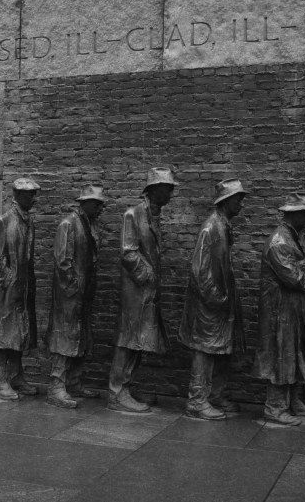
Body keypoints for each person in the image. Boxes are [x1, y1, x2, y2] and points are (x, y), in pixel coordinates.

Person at [108, 167, 177, 413]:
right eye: (167, 188)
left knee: (139, 341)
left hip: (147, 292)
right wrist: (147, 275)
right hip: (136, 291)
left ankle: (126, 386)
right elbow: (128, 252)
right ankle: (116, 392)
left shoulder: (154, 215)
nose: (170, 193)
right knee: (128, 340)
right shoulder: (133, 214)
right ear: (154, 190)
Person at [179, 179, 247, 420]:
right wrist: (215, 298)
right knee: (204, 350)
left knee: (220, 350)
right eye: (238, 200)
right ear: (226, 201)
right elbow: (199, 269)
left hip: (220, 301)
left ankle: (215, 395)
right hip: (209, 304)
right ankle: (197, 401)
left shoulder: (224, 225)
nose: (241, 204)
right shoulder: (211, 228)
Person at [252, 191, 305, 425]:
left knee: (294, 352)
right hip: (278, 310)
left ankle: (293, 400)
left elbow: (304, 270)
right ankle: (275, 407)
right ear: (295, 215)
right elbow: (297, 279)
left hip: (291, 307)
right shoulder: (279, 242)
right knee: (281, 354)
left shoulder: (296, 237)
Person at [45, 184, 106, 409]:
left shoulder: (90, 225)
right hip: (69, 295)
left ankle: (74, 380)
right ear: (86, 203)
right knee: (65, 337)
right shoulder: (68, 224)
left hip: (84, 293)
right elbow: (62, 262)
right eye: (98, 204)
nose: (101, 208)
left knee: (81, 337)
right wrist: (73, 288)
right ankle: (56, 386)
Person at [0, 177, 40, 400]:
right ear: (17, 195)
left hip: (25, 287)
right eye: (28, 194)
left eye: (33, 194)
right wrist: (8, 280)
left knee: (20, 331)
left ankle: (17, 376)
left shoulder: (28, 221)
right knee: (3, 332)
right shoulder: (4, 220)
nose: (33, 198)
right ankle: (0, 380)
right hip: (9, 289)